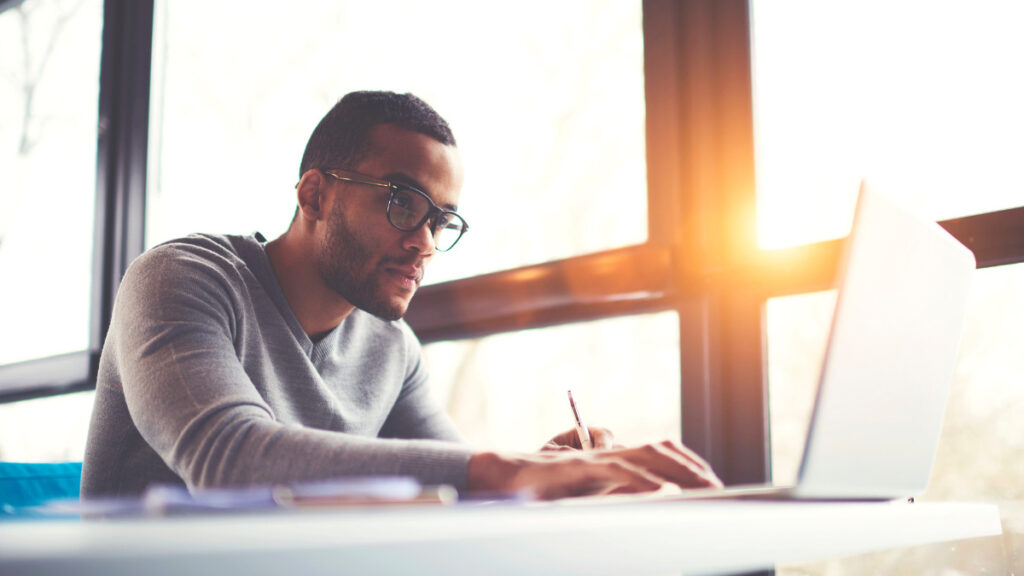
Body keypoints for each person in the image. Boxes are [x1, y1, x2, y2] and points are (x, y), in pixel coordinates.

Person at [81, 91, 722, 501]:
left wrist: (543, 474)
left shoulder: (392, 349)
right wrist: (500, 470)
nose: (424, 243)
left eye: (441, 221)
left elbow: (453, 479)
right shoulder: (182, 279)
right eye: (401, 203)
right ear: (313, 195)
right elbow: (227, 458)